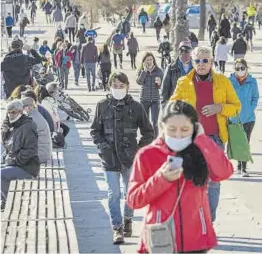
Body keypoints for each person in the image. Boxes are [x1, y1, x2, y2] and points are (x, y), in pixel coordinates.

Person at [126, 100, 234, 254]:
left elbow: (225, 172)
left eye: (185, 129)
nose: (178, 135)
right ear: (162, 126)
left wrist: (203, 139)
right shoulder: (147, 155)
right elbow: (133, 200)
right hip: (160, 238)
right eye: (172, 129)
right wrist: (160, 179)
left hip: (196, 239)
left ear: (194, 128)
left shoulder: (202, 150)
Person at [170, 46, 241, 222]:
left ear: (211, 62)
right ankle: (194, 219)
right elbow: (172, 106)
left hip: (214, 139)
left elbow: (236, 107)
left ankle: (208, 220)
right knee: (191, 181)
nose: (201, 64)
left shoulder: (223, 81)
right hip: (190, 140)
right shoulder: (183, 82)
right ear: (192, 62)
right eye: (198, 61)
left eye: (205, 60)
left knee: (214, 182)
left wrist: (220, 108)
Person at [90, 72, 154, 244]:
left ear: (127, 86)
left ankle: (128, 218)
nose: (118, 89)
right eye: (115, 85)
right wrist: (103, 147)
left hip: (130, 157)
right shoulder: (102, 105)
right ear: (110, 86)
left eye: (121, 86)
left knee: (130, 193)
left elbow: (149, 131)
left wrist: (139, 149)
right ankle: (117, 227)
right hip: (109, 158)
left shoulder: (136, 107)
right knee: (113, 194)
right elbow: (95, 130)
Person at [1, 100, 40, 211]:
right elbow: (7, 146)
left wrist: (14, 161)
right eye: (8, 112)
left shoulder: (27, 127)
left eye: (13, 112)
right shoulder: (13, 125)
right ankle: (4, 200)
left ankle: (9, 203)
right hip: (17, 163)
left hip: (27, 167)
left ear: (20, 112)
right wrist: (4, 131)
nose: (10, 115)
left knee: (1, 174)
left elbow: (31, 150)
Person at [229, 59, 259, 177]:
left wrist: (250, 108)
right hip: (234, 118)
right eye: (237, 68)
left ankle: (243, 168)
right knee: (238, 143)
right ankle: (239, 165)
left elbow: (255, 97)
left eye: (242, 68)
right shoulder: (229, 81)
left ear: (246, 68)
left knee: (245, 142)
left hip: (249, 118)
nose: (240, 71)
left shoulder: (252, 81)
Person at [136, 53, 163, 137]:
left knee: (155, 121)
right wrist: (144, 71)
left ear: (153, 60)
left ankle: (155, 139)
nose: (149, 61)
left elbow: (161, 86)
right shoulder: (141, 71)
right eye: (147, 60)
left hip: (155, 99)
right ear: (144, 61)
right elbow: (139, 82)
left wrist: (159, 83)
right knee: (145, 121)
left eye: (151, 59)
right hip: (144, 99)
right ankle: (146, 138)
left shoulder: (159, 71)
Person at [161, 41, 193, 107]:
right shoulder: (171, 68)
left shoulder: (196, 67)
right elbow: (165, 90)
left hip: (192, 105)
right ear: (179, 52)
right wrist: (164, 107)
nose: (184, 53)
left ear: (191, 53)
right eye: (181, 51)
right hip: (175, 105)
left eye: (187, 51)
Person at [22, 97, 52, 164]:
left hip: (40, 154)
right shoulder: (36, 115)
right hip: (44, 152)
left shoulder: (32, 119)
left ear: (28, 107)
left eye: (22, 108)